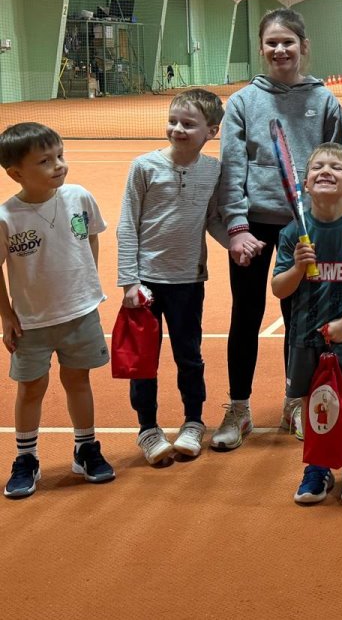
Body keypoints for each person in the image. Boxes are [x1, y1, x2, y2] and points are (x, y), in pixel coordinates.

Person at [215, 8, 342, 451]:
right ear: (261, 48)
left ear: (303, 46)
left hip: (305, 228)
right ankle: (239, 408)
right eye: (271, 43)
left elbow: (339, 163)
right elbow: (233, 170)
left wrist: (329, 221)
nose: (280, 50)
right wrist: (236, 228)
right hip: (253, 227)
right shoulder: (243, 103)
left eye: (288, 42)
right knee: (246, 315)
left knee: (301, 320)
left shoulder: (325, 101)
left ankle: (295, 401)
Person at [0, 123, 114, 498]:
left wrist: (87, 283)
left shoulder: (79, 197)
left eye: (60, 156)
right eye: (45, 161)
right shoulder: (7, 217)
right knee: (31, 388)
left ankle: (86, 448)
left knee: (78, 380)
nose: (58, 165)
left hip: (80, 313)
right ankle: (26, 458)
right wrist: (7, 316)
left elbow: (91, 236)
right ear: (16, 173)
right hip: (31, 322)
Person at [116, 89, 228, 464]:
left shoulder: (213, 170)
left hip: (188, 282)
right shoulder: (144, 167)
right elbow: (127, 226)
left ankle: (193, 422)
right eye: (173, 121)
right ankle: (148, 429)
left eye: (188, 124)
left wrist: (236, 243)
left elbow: (213, 220)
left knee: (189, 356)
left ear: (211, 131)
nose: (177, 129)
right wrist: (129, 281)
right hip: (145, 284)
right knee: (143, 361)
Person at [272, 143, 342, 504]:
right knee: (311, 397)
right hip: (305, 333)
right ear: (305, 184)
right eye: (318, 166)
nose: (325, 171)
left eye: (336, 167)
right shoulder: (292, 234)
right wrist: (298, 267)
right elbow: (279, 288)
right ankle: (316, 466)